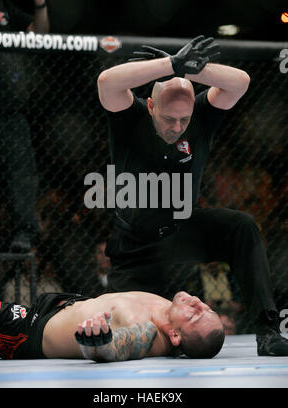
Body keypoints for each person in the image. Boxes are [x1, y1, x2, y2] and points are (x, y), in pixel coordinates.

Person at [97, 35, 288, 356]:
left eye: (184, 120)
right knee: (121, 331)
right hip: (136, 244)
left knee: (241, 226)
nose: (177, 126)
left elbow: (240, 82)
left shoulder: (199, 114)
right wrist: (171, 65)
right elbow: (106, 82)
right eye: (169, 119)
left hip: (184, 228)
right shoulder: (130, 119)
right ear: (152, 106)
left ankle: (267, 331)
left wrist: (188, 70)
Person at [0, 290, 225, 361]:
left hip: (26, 334)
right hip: (53, 308)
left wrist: (98, 342)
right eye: (207, 308)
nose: (197, 303)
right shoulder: (171, 311)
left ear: (174, 336)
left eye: (195, 315)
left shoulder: (148, 332)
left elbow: (119, 346)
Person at [0, 0, 49, 253]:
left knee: (22, 172)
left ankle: (24, 233)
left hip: (13, 108)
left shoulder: (10, 10)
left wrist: (41, 5)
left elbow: (43, 37)